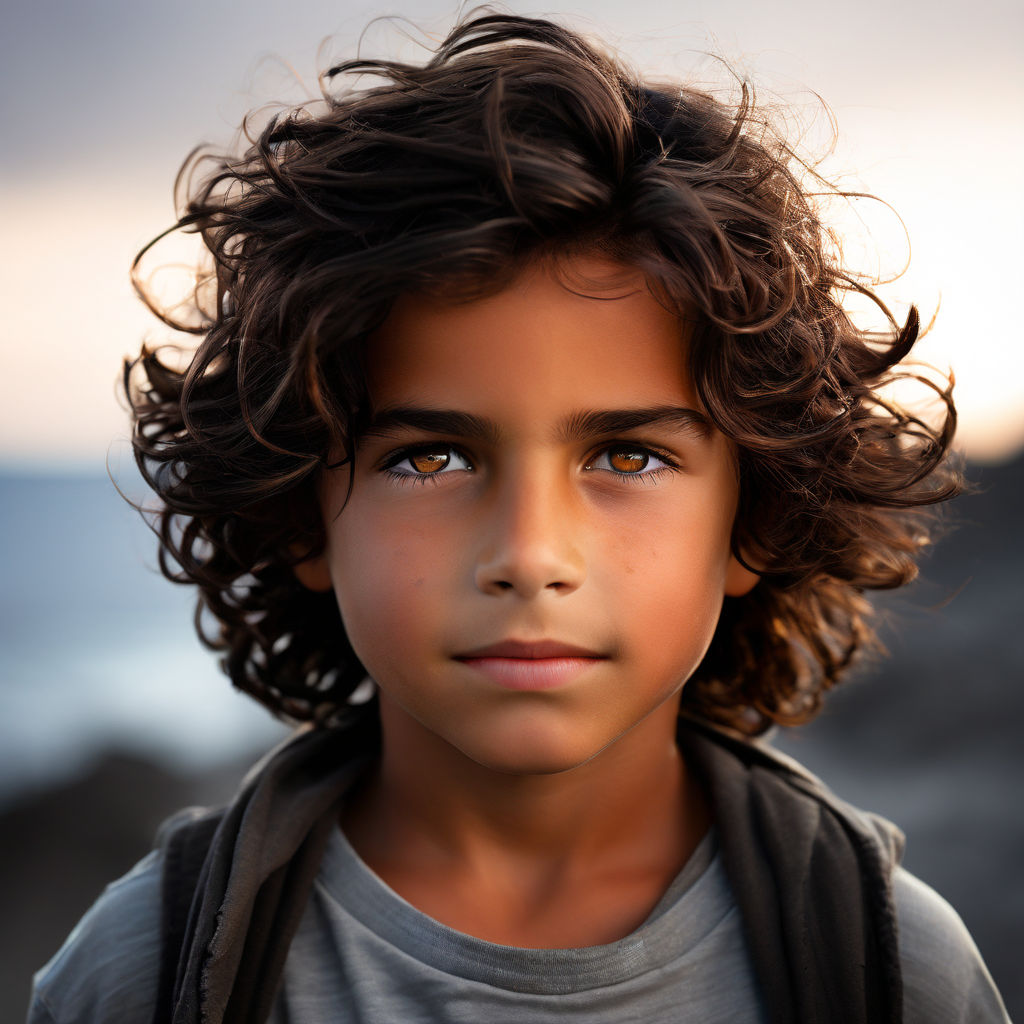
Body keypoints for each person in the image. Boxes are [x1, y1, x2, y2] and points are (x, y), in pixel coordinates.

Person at [27, 12, 1010, 1024]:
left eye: (627, 455)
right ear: (300, 520)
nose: (530, 554)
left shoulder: (892, 969)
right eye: (431, 457)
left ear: (754, 521)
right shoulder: (148, 970)